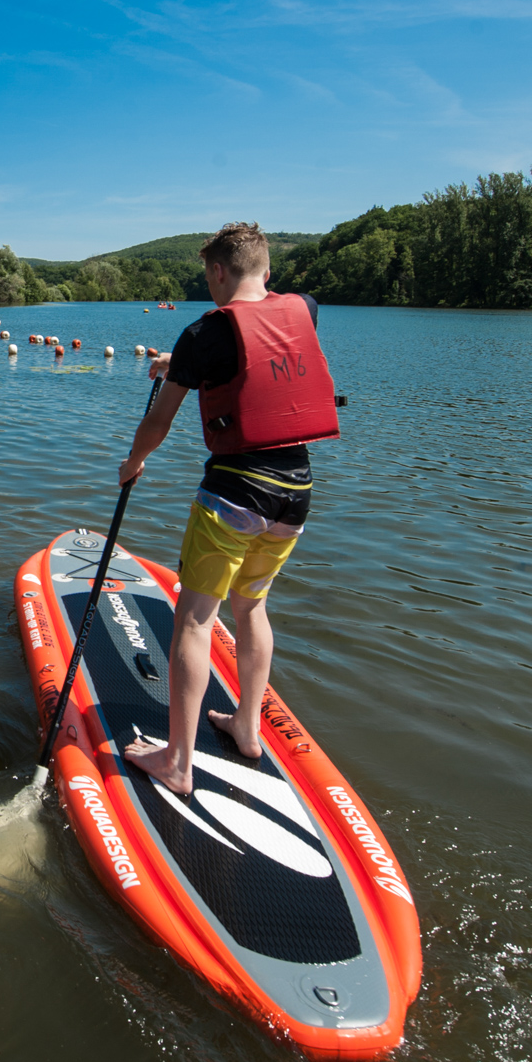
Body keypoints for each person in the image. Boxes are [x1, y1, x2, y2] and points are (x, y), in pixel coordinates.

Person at [116, 222, 339, 797]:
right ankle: (245, 725)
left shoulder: (203, 332)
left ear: (217, 271)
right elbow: (257, 344)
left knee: (194, 619)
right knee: (252, 606)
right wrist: (178, 361)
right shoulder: (305, 309)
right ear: (267, 269)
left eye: (207, 276)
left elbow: (159, 421)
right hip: (296, 494)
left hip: (235, 494)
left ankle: (178, 763)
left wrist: (132, 463)